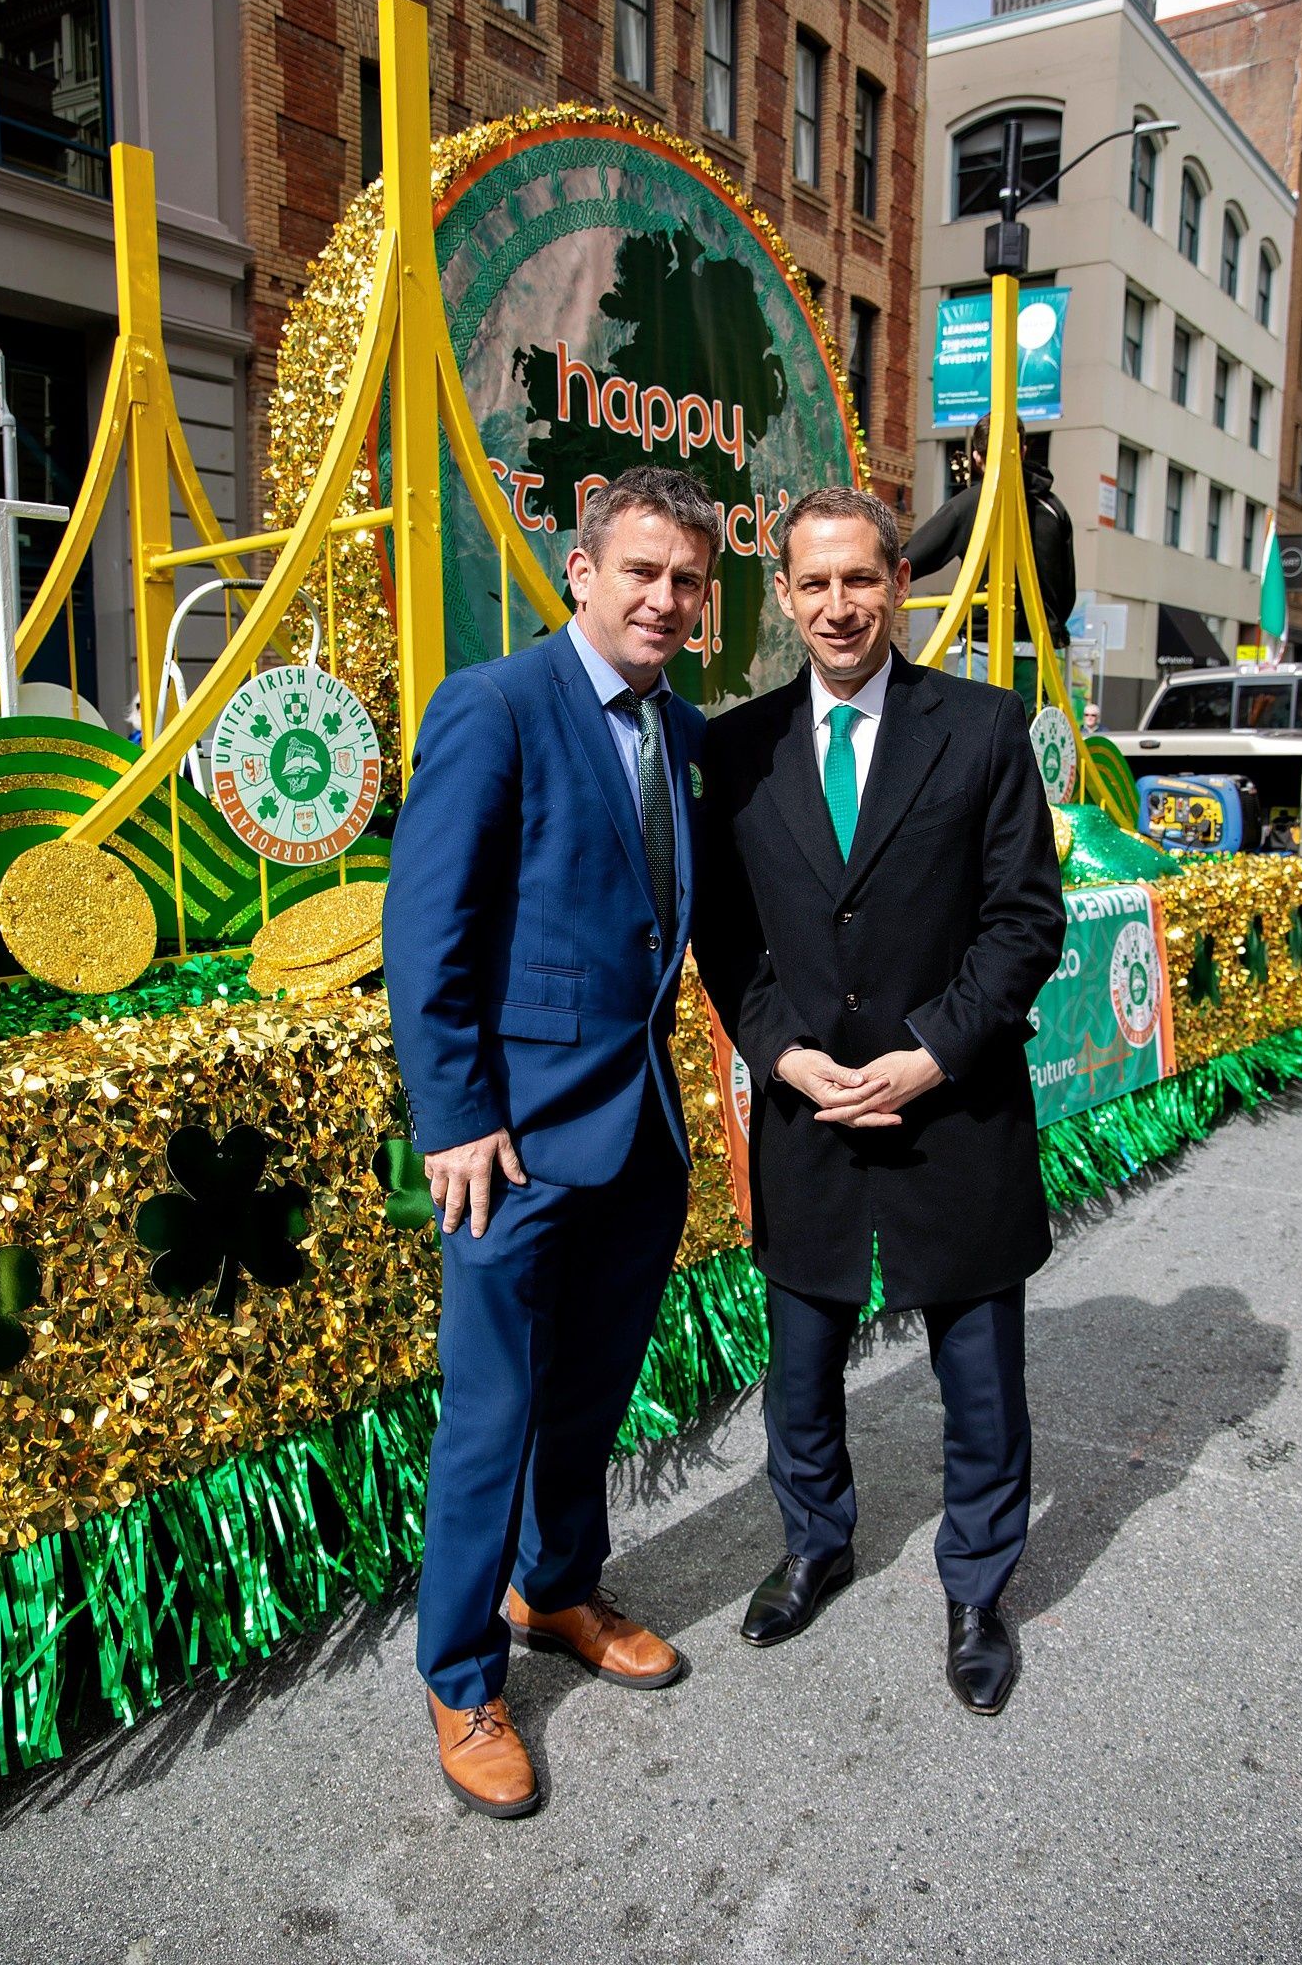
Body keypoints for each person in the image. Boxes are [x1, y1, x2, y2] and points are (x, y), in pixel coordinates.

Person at [695, 485, 1065, 1715]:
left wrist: (929, 1051)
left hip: (950, 1108)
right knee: (799, 1368)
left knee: (978, 1379)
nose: (838, 604)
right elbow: (725, 937)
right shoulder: (736, 748)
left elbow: (1023, 921)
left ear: (898, 584)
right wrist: (783, 1056)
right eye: (813, 583)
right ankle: (814, 1543)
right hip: (806, 1110)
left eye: (860, 578)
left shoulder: (981, 726)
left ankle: (976, 1588)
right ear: (783, 596)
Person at [383, 466, 716, 1817]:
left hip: (639, 1133)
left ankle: (558, 1588)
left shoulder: (684, 732)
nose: (664, 598)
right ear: (581, 572)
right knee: (492, 1417)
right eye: (640, 570)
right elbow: (428, 930)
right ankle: (461, 1680)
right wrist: (458, 1115)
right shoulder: (497, 704)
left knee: (585, 1397)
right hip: (511, 1146)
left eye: (687, 579)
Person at [904, 413, 1076, 709]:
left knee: (974, 730)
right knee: (1029, 731)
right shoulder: (1052, 508)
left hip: (984, 644)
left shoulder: (971, 503)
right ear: (1022, 450)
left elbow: (912, 558)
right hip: (1039, 650)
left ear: (976, 457)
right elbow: (1067, 588)